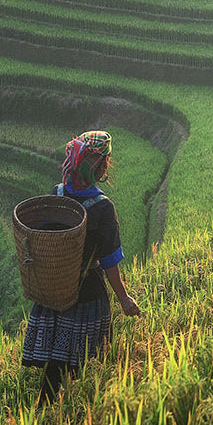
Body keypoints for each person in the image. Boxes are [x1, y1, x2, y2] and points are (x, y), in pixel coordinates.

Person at [21, 130, 140, 405]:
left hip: (56, 288)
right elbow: (110, 262)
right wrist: (124, 299)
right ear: (99, 166)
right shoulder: (102, 208)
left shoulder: (57, 194)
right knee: (85, 362)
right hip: (87, 292)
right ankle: (76, 414)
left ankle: (45, 411)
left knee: (56, 361)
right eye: (106, 162)